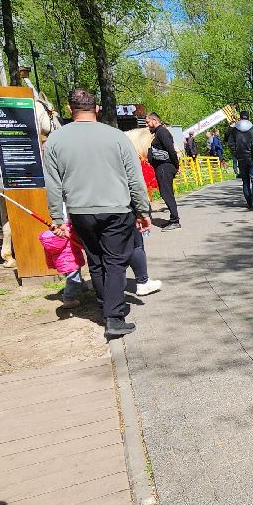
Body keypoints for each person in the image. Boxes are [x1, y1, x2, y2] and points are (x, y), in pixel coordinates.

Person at [42, 89, 151, 339]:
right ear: (97, 109)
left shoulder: (55, 141)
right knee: (115, 262)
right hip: (116, 209)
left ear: (70, 109)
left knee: (96, 260)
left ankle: (105, 306)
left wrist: (57, 218)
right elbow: (135, 179)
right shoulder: (117, 137)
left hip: (80, 211)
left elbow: (53, 184)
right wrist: (143, 211)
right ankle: (114, 317)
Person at [145, 112, 181, 229]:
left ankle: (175, 221)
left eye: (148, 122)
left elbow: (171, 150)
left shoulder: (162, 132)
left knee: (167, 194)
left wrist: (176, 165)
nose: (147, 125)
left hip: (165, 167)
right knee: (166, 193)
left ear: (155, 120)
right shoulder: (159, 133)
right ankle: (173, 219)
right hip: (163, 167)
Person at [226, 109, 253, 210]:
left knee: (245, 181)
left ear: (240, 117)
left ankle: (249, 202)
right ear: (248, 117)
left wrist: (236, 153)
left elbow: (230, 143)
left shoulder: (235, 130)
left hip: (241, 158)